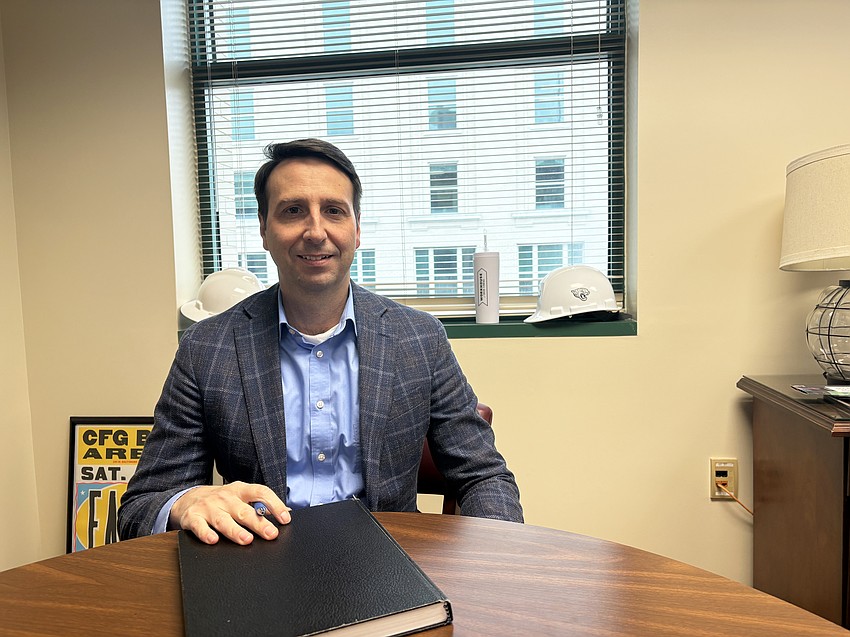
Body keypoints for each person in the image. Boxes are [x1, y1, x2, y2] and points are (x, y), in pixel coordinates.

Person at [118, 139, 523, 545]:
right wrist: (186, 503)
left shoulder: (420, 338)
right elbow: (142, 505)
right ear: (264, 229)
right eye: (293, 211)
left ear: (357, 228)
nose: (316, 232)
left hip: (392, 565)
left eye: (334, 211)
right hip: (258, 564)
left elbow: (483, 476)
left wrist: (494, 570)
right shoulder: (206, 348)